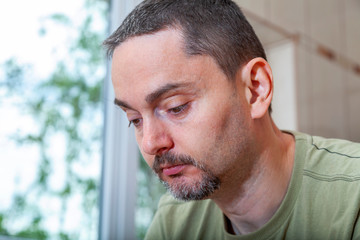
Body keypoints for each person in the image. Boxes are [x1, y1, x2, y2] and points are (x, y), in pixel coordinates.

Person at [103, 0, 360, 239]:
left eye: (176, 107)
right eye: (134, 119)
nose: (149, 143)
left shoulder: (352, 198)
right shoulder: (175, 222)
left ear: (256, 89)